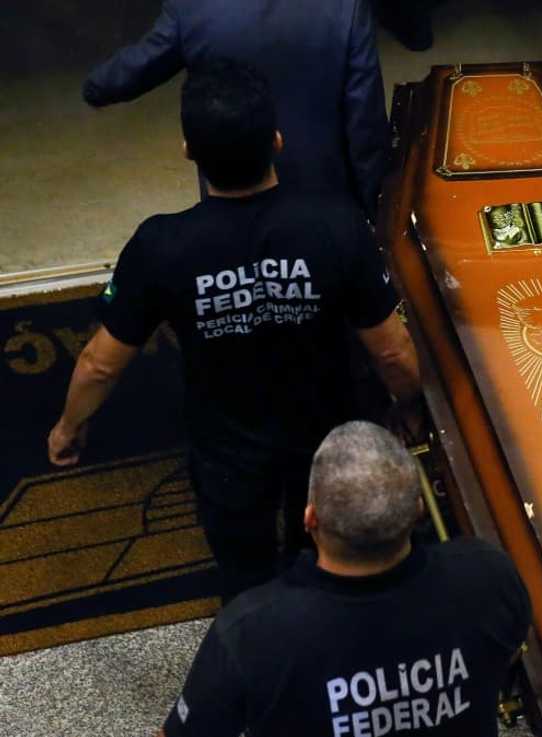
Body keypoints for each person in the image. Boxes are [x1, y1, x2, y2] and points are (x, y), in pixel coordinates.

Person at [48, 62, 420, 603]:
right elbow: (391, 350)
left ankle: (252, 623)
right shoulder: (337, 226)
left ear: (187, 151)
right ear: (276, 141)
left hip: (227, 452)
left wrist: (68, 426)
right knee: (320, 555)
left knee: (241, 567)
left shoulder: (160, 245)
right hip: (321, 436)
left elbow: (99, 364)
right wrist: (409, 404)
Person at [159, 421, 532, 737]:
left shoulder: (248, 633)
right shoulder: (488, 576)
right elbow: (507, 655)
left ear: (310, 519)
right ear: (418, 509)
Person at [82, 0, 389, 218]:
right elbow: (366, 122)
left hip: (231, 198)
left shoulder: (193, 7)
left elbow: (143, 63)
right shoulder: (347, 6)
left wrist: (96, 87)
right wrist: (375, 208)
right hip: (326, 198)